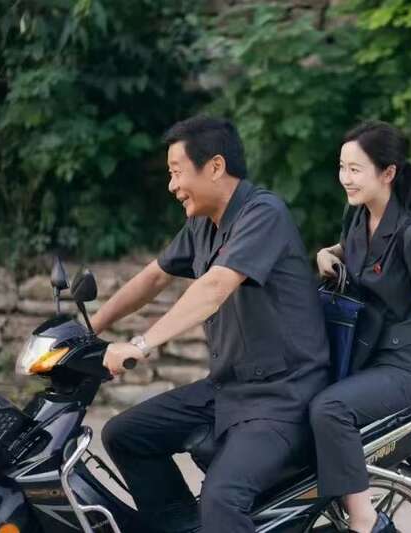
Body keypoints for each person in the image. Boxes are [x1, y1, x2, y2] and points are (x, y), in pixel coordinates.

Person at [93, 116, 331, 533]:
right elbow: (153, 277)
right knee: (123, 434)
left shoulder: (263, 214)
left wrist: (141, 344)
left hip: (282, 397)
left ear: (216, 166)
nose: (172, 186)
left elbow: (215, 286)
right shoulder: (203, 225)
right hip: (228, 388)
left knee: (223, 500)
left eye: (177, 172)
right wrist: (91, 327)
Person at [311, 121, 411, 533]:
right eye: (342, 167)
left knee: (330, 409)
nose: (345, 178)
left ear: (388, 172)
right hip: (365, 350)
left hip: (407, 363)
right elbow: (351, 252)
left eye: (355, 169)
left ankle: (366, 520)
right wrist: (326, 253)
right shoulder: (358, 217)